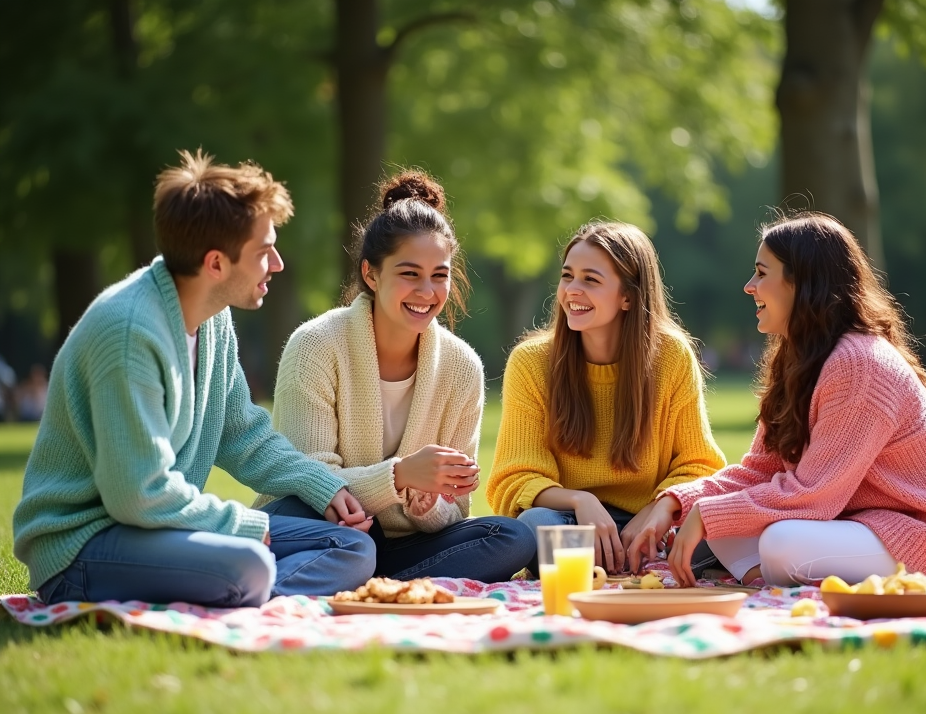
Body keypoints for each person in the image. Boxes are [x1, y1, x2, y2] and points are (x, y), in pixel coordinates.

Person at [13, 150, 375, 607]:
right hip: (84, 547)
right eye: (264, 252)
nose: (278, 264)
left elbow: (243, 435)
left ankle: (251, 595)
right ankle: (250, 589)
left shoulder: (214, 319)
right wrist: (244, 529)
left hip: (161, 529)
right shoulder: (127, 333)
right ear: (216, 264)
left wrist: (322, 486)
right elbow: (138, 495)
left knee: (352, 545)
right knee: (251, 564)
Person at [633, 212, 926, 588]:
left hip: (919, 536)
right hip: (850, 522)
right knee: (722, 523)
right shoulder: (797, 359)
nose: (749, 286)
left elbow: (814, 496)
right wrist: (677, 503)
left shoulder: (858, 363)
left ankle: (766, 575)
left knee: (777, 542)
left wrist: (706, 513)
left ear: (802, 283)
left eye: (762, 273)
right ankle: (763, 578)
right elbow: (758, 472)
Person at [258, 171, 534, 582]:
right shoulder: (316, 345)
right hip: (316, 522)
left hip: (403, 544)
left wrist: (427, 502)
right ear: (371, 275)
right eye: (409, 274)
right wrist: (402, 476)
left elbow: (456, 511)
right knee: (332, 528)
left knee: (512, 537)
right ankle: (344, 567)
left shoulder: (462, 368)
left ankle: (367, 577)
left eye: (439, 275)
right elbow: (307, 479)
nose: (427, 291)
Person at [487, 221, 727, 576]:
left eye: (591, 280)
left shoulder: (671, 357)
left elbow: (700, 465)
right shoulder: (531, 362)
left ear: (628, 296)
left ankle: (634, 558)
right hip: (572, 519)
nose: (572, 290)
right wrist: (581, 500)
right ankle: (637, 564)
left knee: (722, 528)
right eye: (567, 276)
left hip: (654, 523)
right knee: (535, 526)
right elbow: (517, 476)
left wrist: (656, 511)